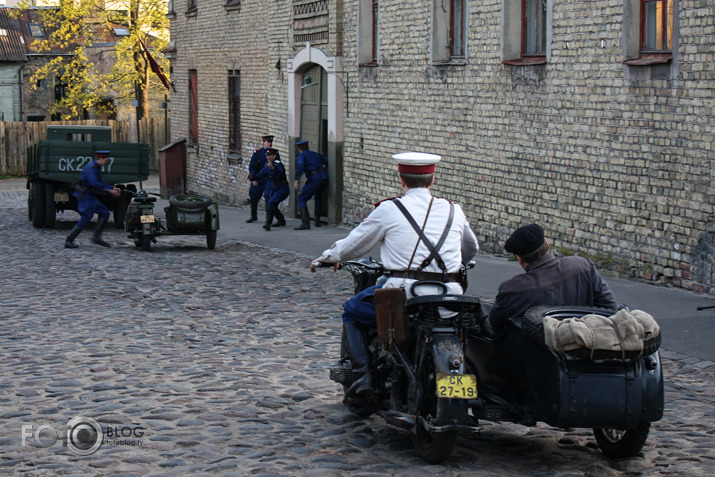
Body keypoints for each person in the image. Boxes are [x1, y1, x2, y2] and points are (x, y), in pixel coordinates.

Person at [311, 152, 479, 398]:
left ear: (401, 179)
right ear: (432, 181)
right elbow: (470, 248)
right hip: (449, 297)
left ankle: (364, 378)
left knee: (352, 311)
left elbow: (355, 244)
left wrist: (328, 258)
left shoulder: (389, 209)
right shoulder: (453, 209)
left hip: (404, 296)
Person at [483, 223, 618, 336]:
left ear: (519, 258)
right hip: (586, 348)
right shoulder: (583, 266)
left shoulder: (512, 288)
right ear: (547, 242)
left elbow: (496, 327)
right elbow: (610, 309)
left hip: (535, 360)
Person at [64, 150, 121, 249]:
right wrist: (110, 190)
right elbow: (94, 183)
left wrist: (111, 188)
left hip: (89, 195)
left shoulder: (96, 167)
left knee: (104, 212)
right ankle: (69, 240)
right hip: (85, 196)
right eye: (106, 159)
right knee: (86, 217)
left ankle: (96, 237)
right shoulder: (93, 168)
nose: (106, 161)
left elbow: (99, 182)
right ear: (101, 159)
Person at [293, 140, 328, 230]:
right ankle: (317, 221)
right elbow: (327, 161)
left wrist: (297, 179)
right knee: (318, 196)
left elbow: (300, 166)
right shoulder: (316, 154)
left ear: (299, 149)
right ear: (307, 147)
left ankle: (305, 223)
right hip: (324, 178)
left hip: (314, 179)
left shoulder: (301, 155)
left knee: (301, 198)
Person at [254, 148, 289, 231]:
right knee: (272, 204)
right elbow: (261, 174)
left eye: (270, 155)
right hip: (275, 188)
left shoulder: (278, 164)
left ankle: (267, 224)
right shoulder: (267, 165)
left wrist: (273, 168)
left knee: (271, 202)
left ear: (274, 156)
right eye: (267, 155)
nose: (268, 157)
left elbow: (281, 174)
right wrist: (254, 178)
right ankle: (281, 220)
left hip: (282, 188)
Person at [246, 135, 277, 223]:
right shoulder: (257, 153)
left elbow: (276, 166)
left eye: (271, 142)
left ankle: (268, 218)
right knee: (253, 197)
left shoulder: (274, 154)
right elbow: (252, 167)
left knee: (268, 197)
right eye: (268, 142)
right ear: (264, 142)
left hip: (268, 179)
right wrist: (253, 179)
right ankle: (253, 216)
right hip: (258, 179)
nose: (270, 144)